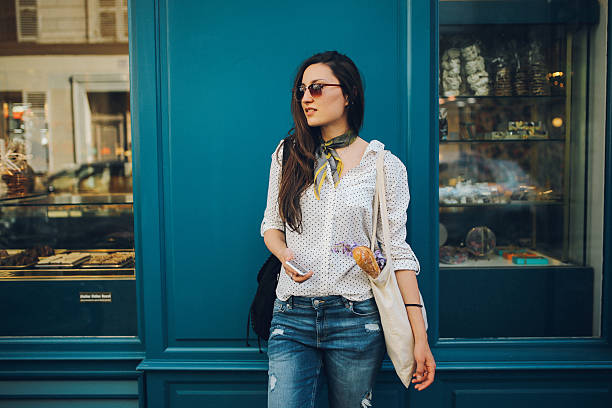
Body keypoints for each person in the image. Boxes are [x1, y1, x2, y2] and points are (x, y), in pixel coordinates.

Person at [260, 50, 436, 408]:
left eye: (318, 88)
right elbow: (271, 225)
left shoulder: (384, 166)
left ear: (349, 94)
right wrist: (283, 253)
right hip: (291, 315)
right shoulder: (287, 154)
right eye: (302, 90)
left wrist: (420, 337)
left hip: (354, 318)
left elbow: (397, 253)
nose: (307, 97)